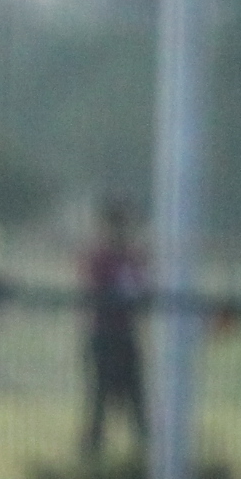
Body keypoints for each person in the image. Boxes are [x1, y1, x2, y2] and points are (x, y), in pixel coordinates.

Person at [79, 198, 150, 464]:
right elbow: (94, 292)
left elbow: (143, 289)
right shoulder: (99, 258)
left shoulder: (133, 257)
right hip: (103, 335)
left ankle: (145, 453)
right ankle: (92, 454)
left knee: (136, 396)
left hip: (126, 335)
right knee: (100, 397)